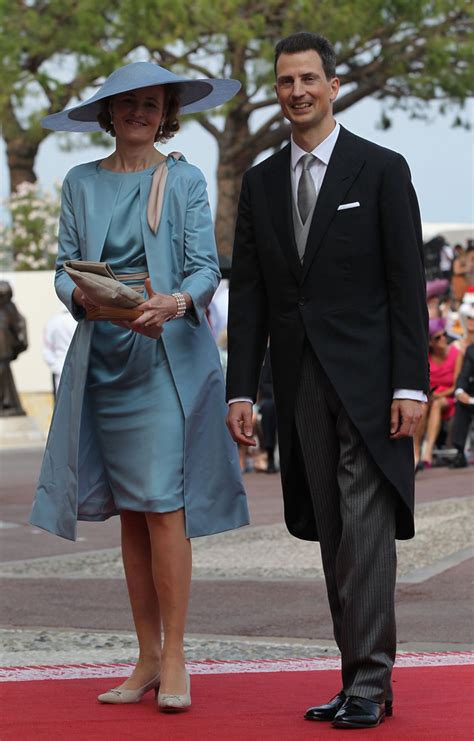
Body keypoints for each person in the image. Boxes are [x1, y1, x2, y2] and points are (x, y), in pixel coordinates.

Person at [30, 61, 249, 713]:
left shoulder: (183, 178)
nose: (139, 113)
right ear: (108, 111)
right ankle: (146, 655)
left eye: (151, 105)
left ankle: (177, 653)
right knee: (132, 509)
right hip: (103, 359)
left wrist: (176, 302)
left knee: (163, 505)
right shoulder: (79, 182)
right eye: (127, 103)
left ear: (166, 113)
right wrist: (83, 297)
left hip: (165, 360)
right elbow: (64, 269)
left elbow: (206, 268)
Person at [226, 32, 428, 730]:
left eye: (309, 78)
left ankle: (371, 681)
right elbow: (249, 294)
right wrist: (241, 390)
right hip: (299, 382)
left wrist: (412, 384)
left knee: (366, 527)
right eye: (285, 81)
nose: (297, 91)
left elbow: (407, 285)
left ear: (334, 85)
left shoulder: (380, 170)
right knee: (338, 531)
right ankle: (355, 679)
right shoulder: (257, 182)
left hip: (374, 386)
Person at [414, 318, 462, 469]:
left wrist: (439, 396)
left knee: (435, 404)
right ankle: (416, 452)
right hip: (430, 396)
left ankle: (427, 452)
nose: (443, 339)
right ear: (430, 343)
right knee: (424, 406)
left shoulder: (456, 354)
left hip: (448, 397)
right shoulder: (426, 358)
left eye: (444, 335)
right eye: (437, 337)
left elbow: (456, 385)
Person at [0, 281, 27, 416]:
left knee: (3, 373)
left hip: (4, 347)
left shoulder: (8, 307)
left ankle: (7, 402)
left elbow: (18, 324)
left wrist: (20, 342)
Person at [42, 308, 77, 397]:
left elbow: (47, 349)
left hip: (59, 365)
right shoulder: (81, 322)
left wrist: (55, 366)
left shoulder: (52, 322)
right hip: (78, 366)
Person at [449, 342, 474, 468]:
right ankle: (460, 452)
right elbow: (464, 375)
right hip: (472, 398)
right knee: (461, 404)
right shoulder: (471, 350)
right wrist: (460, 391)